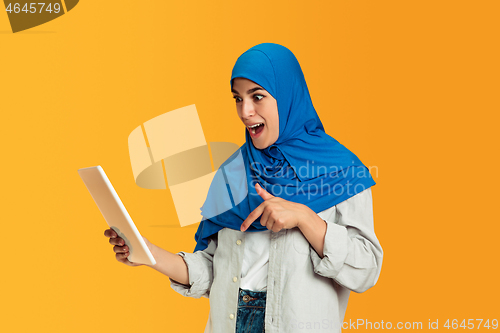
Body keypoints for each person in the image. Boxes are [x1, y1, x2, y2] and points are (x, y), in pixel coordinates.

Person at [105, 43, 383, 333]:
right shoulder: (233, 172)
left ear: (287, 96)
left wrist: (305, 217)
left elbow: (366, 270)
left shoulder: (340, 170)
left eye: (257, 97)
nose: (245, 111)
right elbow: (214, 269)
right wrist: (148, 253)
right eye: (237, 99)